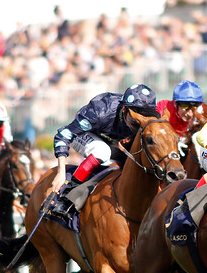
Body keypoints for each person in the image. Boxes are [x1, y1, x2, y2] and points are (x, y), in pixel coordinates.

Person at [48, 84, 159, 218]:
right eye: (136, 114)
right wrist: (61, 173)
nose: (140, 120)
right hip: (85, 135)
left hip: (113, 140)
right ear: (124, 108)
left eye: (145, 115)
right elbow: (63, 135)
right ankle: (66, 198)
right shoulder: (101, 111)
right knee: (102, 151)